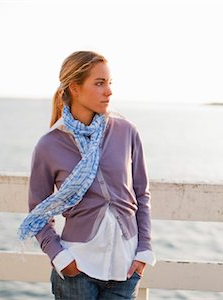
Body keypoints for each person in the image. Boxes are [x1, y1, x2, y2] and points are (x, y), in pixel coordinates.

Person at [18, 51, 155, 300]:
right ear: (75, 88)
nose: (109, 92)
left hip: (125, 269)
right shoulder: (49, 145)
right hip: (77, 270)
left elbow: (140, 194)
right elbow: (37, 211)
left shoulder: (126, 132)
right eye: (99, 83)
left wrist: (144, 250)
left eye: (110, 83)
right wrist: (60, 257)